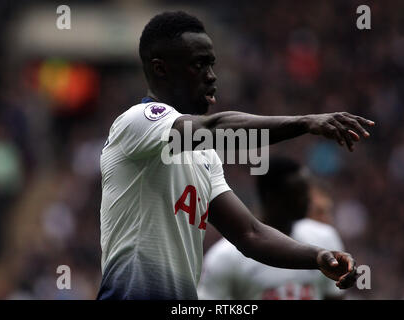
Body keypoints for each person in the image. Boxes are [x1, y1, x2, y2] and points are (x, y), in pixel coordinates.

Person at [97, 11, 374, 300]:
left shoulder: (203, 156)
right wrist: (305, 122)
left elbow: (250, 234)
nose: (211, 75)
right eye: (198, 64)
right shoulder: (137, 122)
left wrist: (317, 256)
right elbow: (215, 126)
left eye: (211, 64)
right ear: (161, 69)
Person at [198, 157, 345, 300]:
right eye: (298, 194)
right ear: (272, 197)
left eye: (307, 193)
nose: (308, 200)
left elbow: (334, 295)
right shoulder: (225, 256)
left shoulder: (324, 238)